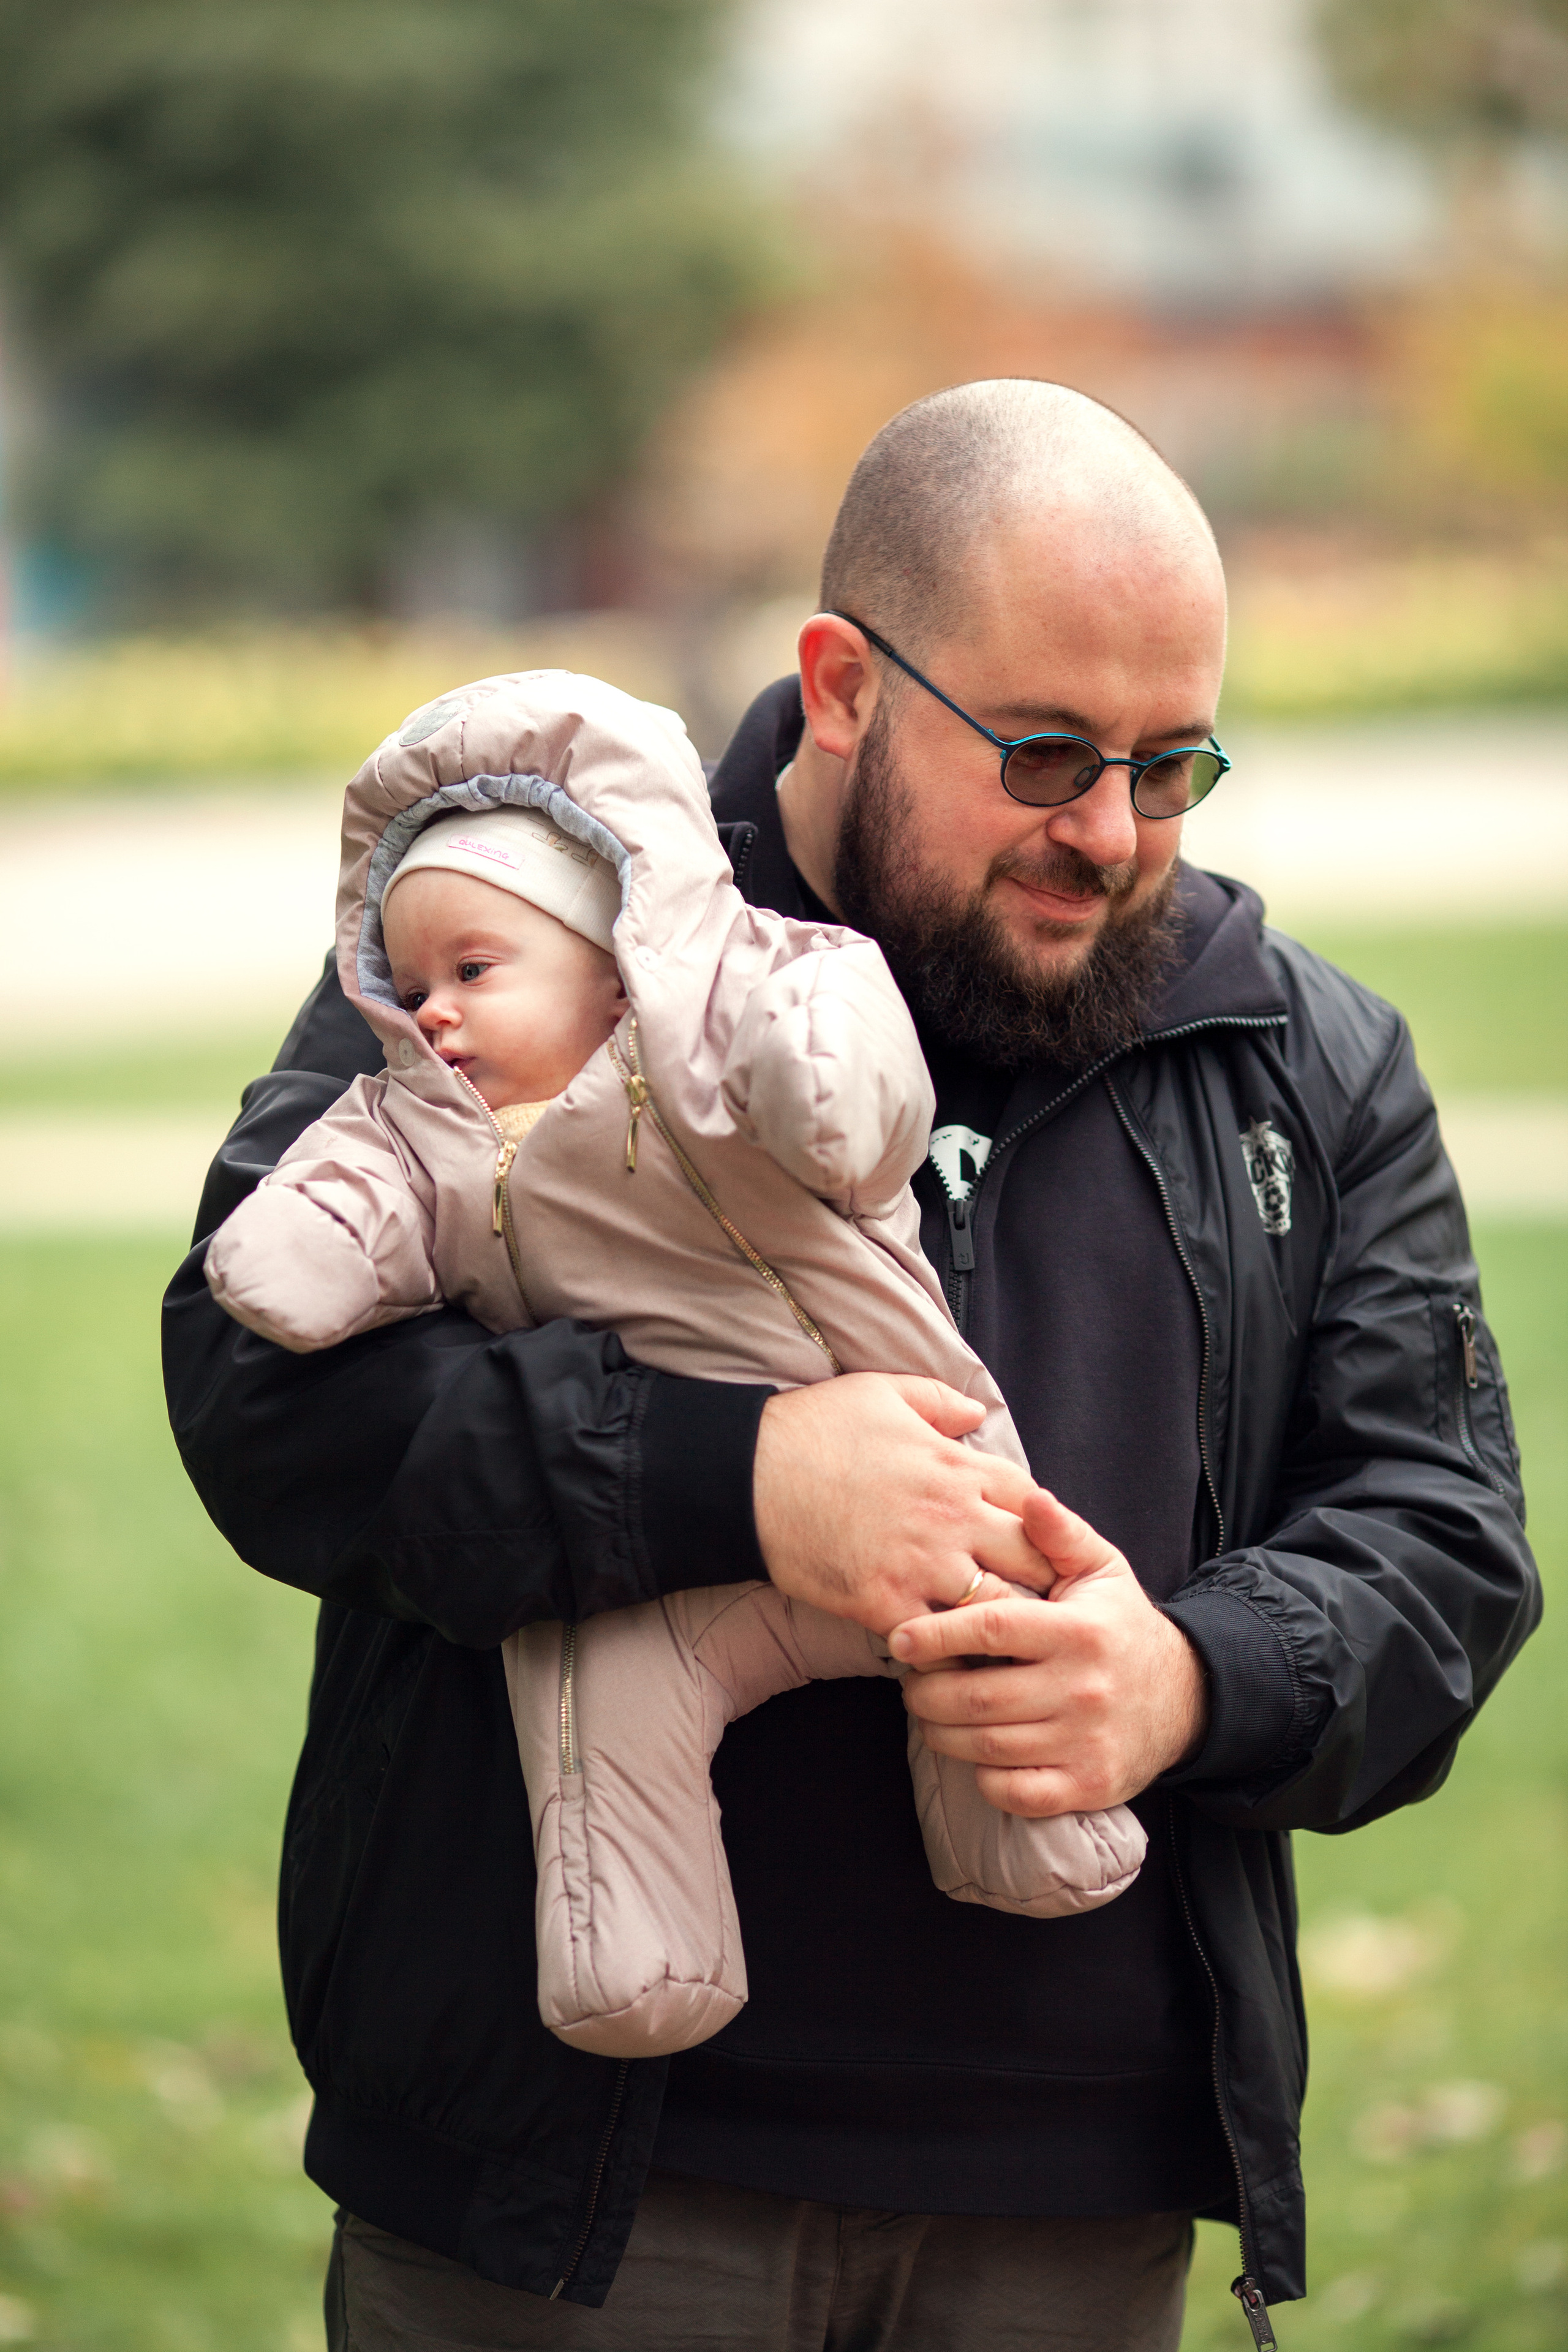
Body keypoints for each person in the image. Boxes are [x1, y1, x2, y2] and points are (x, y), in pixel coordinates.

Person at [163, 380, 1539, 2352]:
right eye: (1049, 752)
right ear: (841, 684)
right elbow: (260, 1397)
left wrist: (1188, 1677)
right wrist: (735, 1479)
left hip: (1078, 2209)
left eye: (1175, 769)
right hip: (573, 2206)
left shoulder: (1305, 1059)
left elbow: (1446, 1539)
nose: (1110, 835)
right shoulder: (524, 930)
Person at [200, 680, 1144, 2062]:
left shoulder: (731, 1009)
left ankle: (1028, 1830)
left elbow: (845, 1076)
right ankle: (638, 1956)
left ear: (606, 949)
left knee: (987, 1611)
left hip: (907, 1454)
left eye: (473, 972)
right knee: (591, 1700)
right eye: (408, 993)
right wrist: (301, 1246)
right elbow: (289, 1275)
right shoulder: (419, 1126)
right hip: (656, 1571)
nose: (436, 1018)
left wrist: (804, 1066)